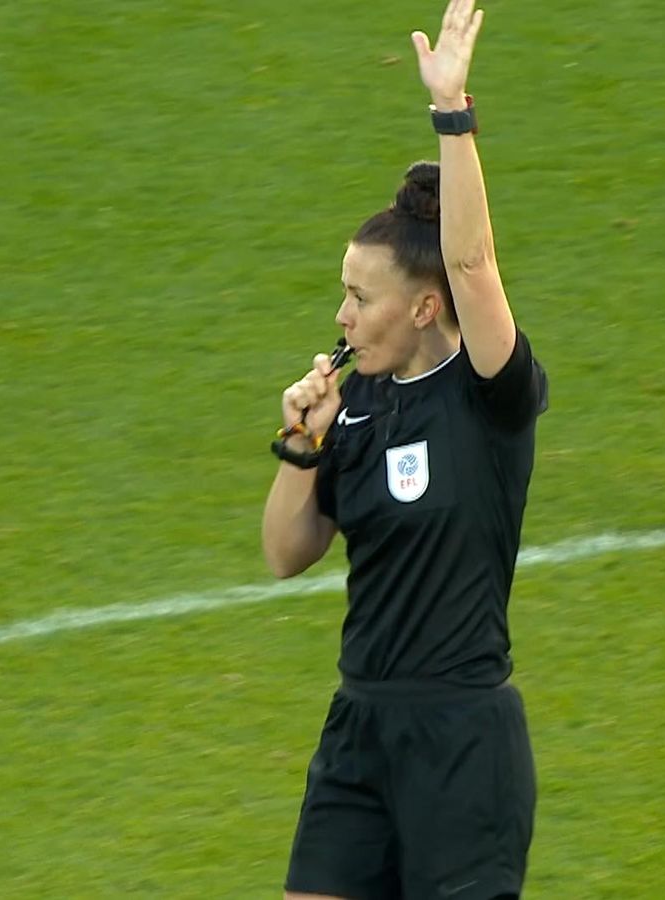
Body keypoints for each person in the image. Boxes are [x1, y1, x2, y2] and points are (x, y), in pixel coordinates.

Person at [261, 2, 548, 897]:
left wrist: (451, 112)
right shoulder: (360, 407)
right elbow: (284, 555)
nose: (342, 316)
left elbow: (472, 265)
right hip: (360, 730)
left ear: (423, 308)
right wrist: (300, 448)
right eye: (340, 293)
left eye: (361, 296)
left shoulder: (487, 394)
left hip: (462, 743)